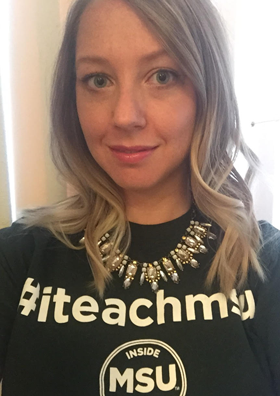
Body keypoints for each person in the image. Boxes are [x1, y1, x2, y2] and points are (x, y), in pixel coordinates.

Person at [0, 0, 279, 394]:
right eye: (98, 80)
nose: (125, 116)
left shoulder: (267, 267)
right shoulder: (17, 260)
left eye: (161, 76)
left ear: (207, 88)